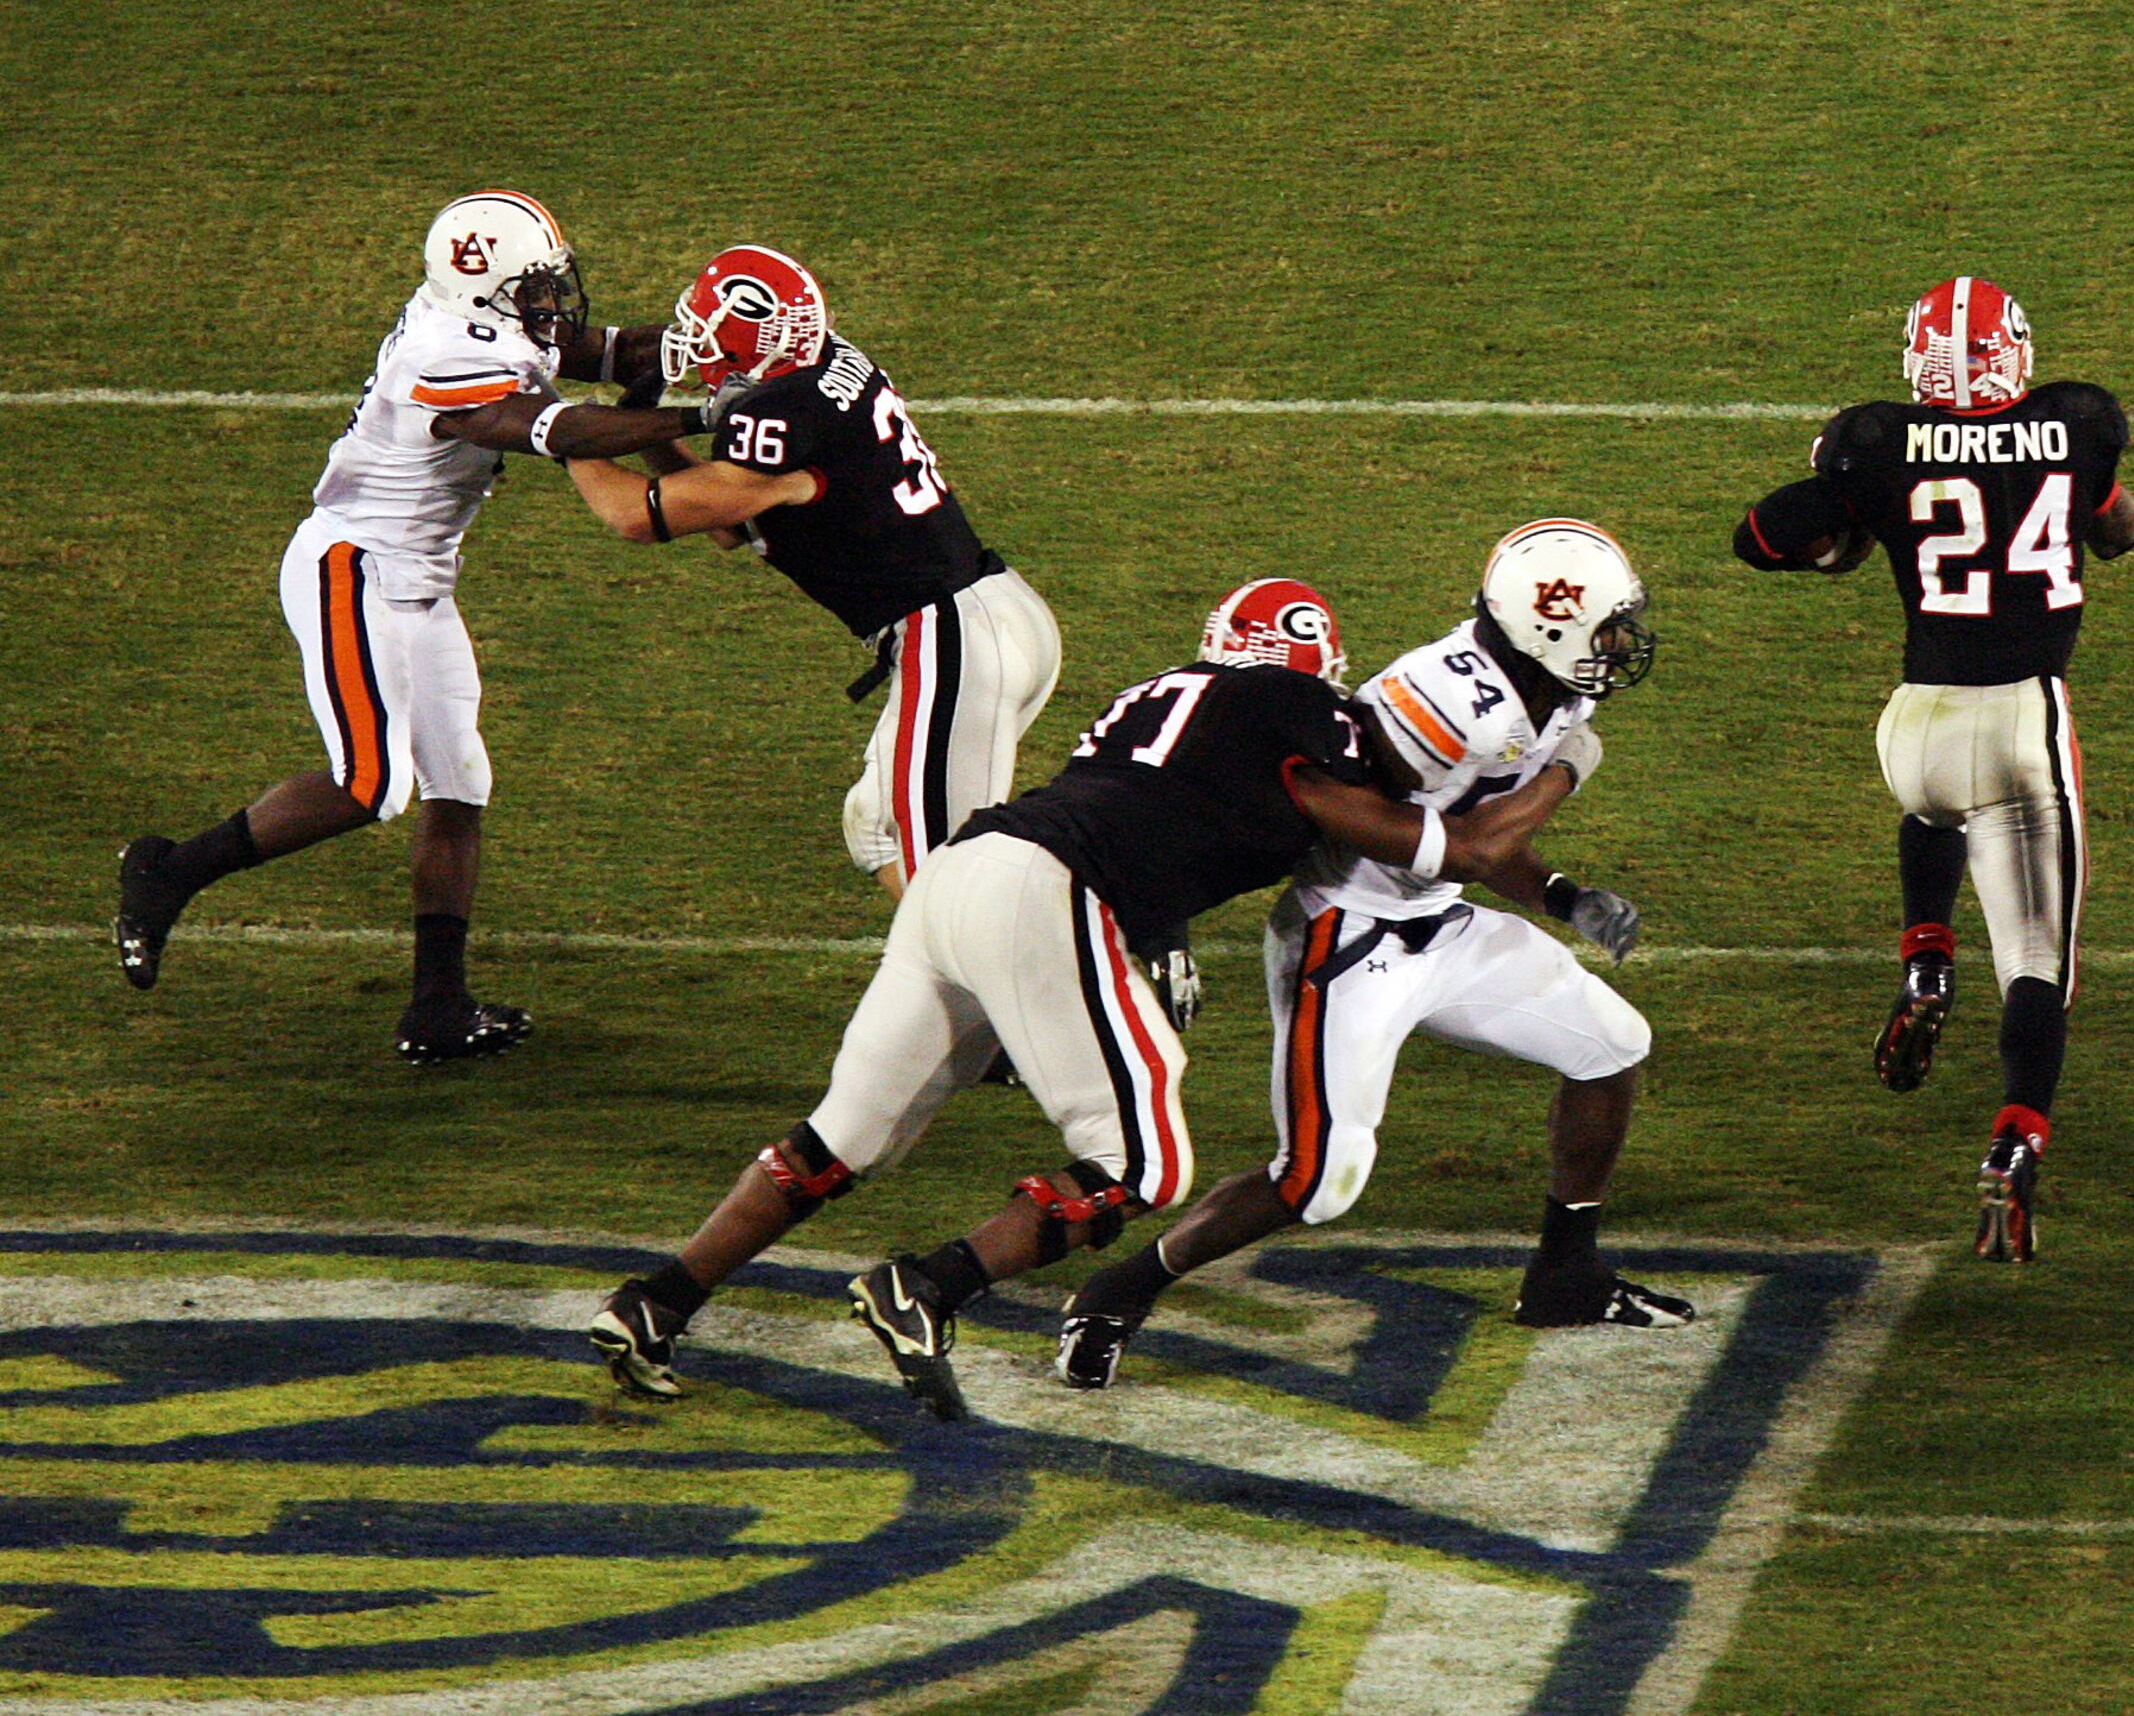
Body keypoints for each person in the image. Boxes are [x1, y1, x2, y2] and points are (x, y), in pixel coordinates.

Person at [588, 580, 1563, 1421]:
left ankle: (657, 1301)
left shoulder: (1162, 699)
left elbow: (1170, 812)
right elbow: (1450, 846)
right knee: (1142, 1162)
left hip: (960, 875)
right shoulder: (1296, 715)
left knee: (840, 1137)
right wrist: (1561, 759)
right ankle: (926, 1285)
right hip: (1046, 896)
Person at [1056, 524, 1687, 1388]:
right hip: (1348, 935)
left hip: (1439, 920)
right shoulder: (1447, 700)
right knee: (1319, 1180)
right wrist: (1562, 776)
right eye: (1607, 625)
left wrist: (1563, 896)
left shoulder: (1552, 688)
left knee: (1611, 1044)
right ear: (1550, 626)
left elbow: (1469, 835)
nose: (1619, 643)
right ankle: (1119, 1289)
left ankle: (1565, 1274)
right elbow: (1448, 838)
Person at [115, 191, 644, 1064]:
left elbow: (594, 348)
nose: (552, 301)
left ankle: (437, 1006)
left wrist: (716, 351)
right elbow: (557, 428)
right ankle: (168, 869)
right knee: (371, 781)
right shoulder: (446, 355)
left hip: (416, 579)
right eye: (535, 286)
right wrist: (703, 415)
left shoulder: (477, 317)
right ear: (487, 292)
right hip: (351, 568)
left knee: (459, 781)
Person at [444, 244, 1058, 904]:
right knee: (881, 831)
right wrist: (638, 427)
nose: (696, 344)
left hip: (955, 640)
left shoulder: (782, 417)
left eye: (709, 330)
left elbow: (634, 515)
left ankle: (1091, 944)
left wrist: (556, 428)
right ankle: (1030, 955)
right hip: (989, 619)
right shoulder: (817, 369)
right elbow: (727, 521)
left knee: (952, 884)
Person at [1731, 277, 2134, 1261]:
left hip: (1913, 728)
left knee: (1936, 808)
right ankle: (2016, 1144)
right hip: (2021, 722)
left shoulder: (1875, 440)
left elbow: (1759, 539)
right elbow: (2119, 531)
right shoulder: (2080, 422)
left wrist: (1851, 525)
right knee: (2041, 966)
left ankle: (1926, 957)